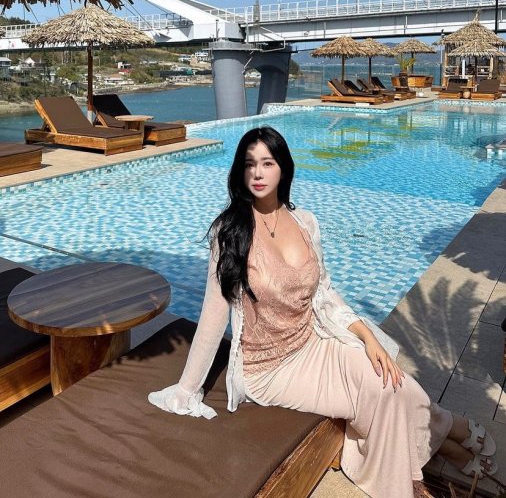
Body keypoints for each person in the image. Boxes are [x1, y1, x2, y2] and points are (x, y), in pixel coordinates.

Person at [149, 126, 497, 498]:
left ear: (283, 168)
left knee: (393, 383)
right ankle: (445, 442)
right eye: (249, 164)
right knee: (380, 395)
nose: (258, 173)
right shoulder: (230, 233)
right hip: (269, 369)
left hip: (314, 341)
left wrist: (367, 336)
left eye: (267, 163)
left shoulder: (305, 222)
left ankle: (446, 431)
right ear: (239, 171)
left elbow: (325, 292)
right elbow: (212, 316)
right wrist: (187, 390)